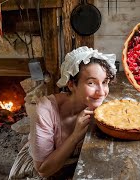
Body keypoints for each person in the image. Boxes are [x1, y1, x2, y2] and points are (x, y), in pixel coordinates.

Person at [8, 46, 117, 179]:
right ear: (71, 85)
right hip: (43, 170)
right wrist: (75, 136)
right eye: (91, 83)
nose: (101, 92)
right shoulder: (45, 110)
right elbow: (43, 170)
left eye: (105, 82)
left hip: (75, 165)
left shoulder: (99, 106)